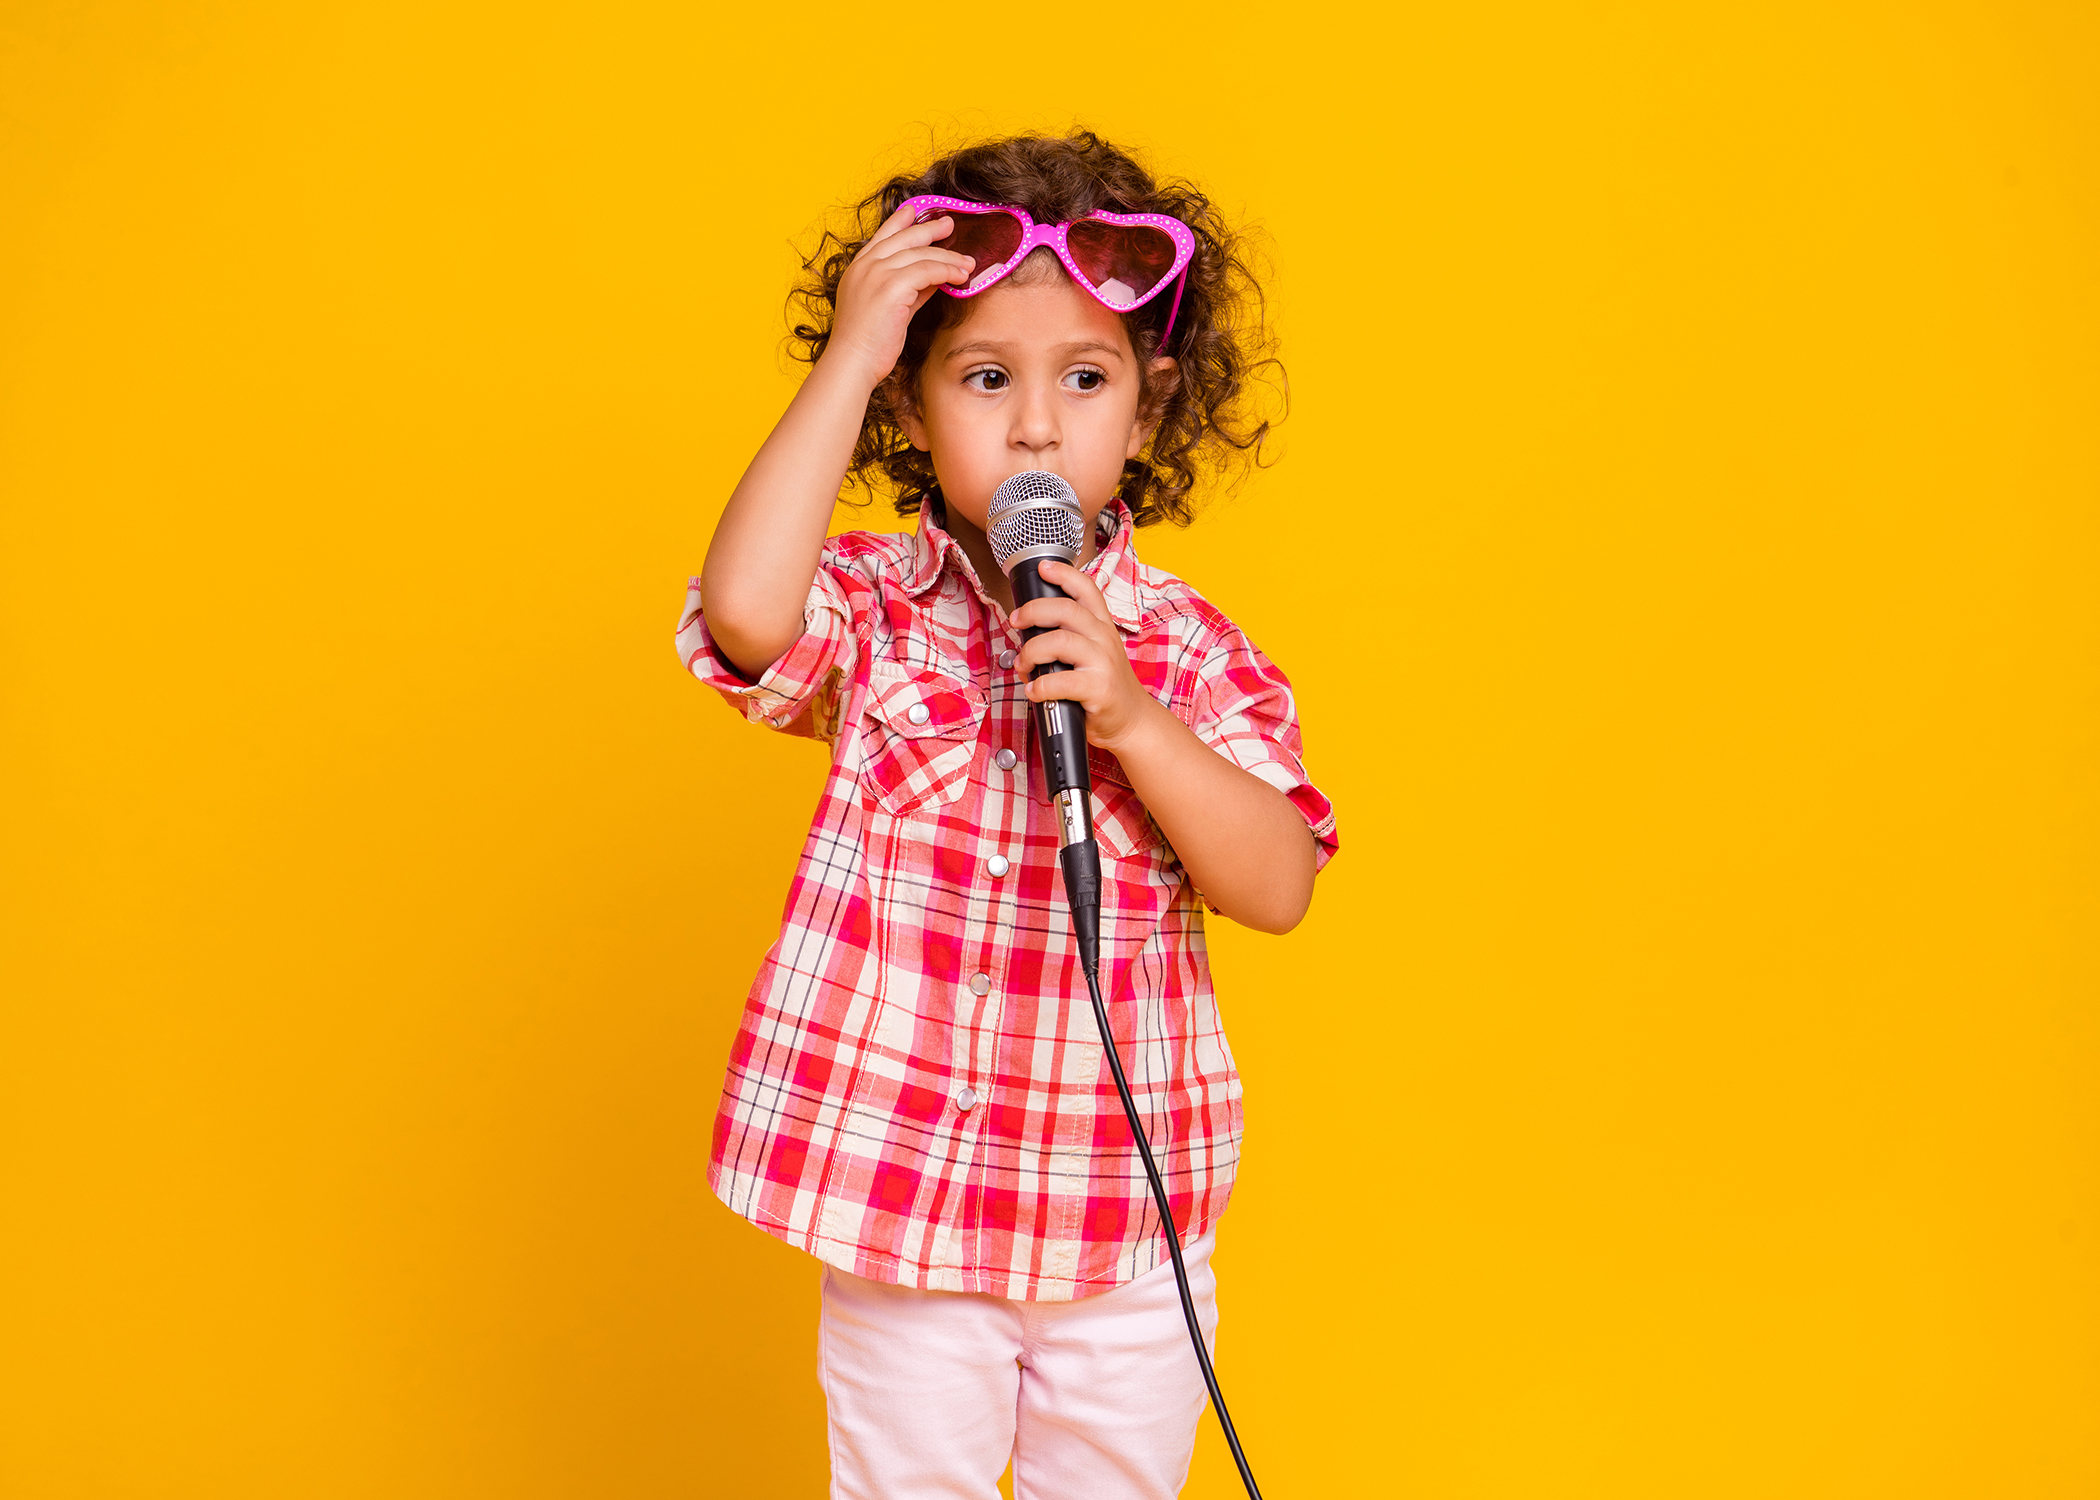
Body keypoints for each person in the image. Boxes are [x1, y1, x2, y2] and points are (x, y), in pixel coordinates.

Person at [679, 131, 1339, 1500]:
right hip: (904, 1209)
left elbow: (1278, 883)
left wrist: (1137, 723)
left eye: (1083, 380)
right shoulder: (876, 608)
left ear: (1147, 412)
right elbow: (745, 615)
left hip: (1119, 1229)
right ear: (913, 413)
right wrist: (849, 358)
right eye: (984, 378)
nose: (1036, 423)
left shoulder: (1190, 647)